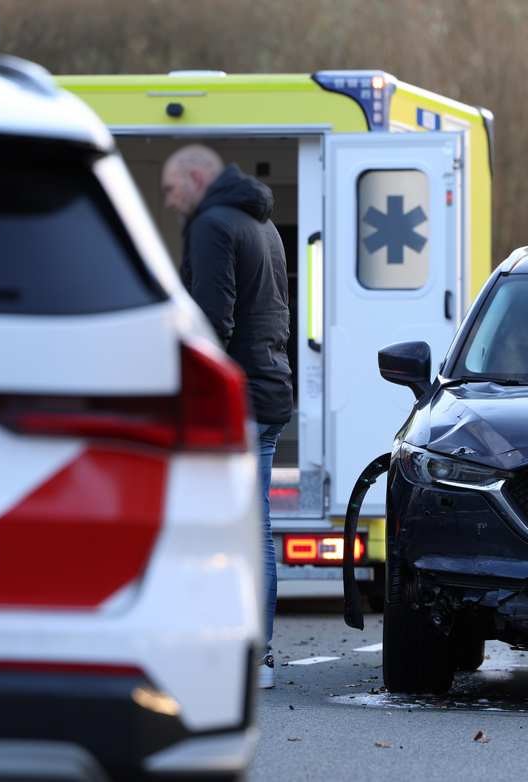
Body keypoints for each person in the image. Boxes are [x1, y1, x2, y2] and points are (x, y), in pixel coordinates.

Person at [162, 145, 293, 689]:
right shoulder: (263, 226)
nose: (169, 202)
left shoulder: (213, 225)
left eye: (171, 190)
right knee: (251, 524)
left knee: (236, 528)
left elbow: (211, 319)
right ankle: (249, 652)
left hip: (237, 402)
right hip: (269, 390)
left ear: (196, 178)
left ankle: (246, 655)